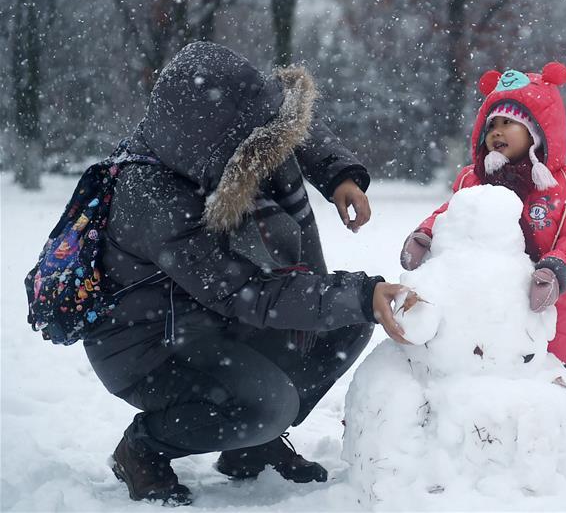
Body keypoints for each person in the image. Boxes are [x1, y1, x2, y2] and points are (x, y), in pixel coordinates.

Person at [87, 41, 411, 506]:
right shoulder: (153, 200)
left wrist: (338, 174)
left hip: (208, 321)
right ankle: (143, 448)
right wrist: (361, 294)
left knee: (345, 323)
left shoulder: (204, 136)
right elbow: (248, 293)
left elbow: (282, 126)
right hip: (149, 348)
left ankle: (250, 446)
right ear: (221, 145)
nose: (270, 151)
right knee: (270, 404)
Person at [399, 63, 566, 492]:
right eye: (492, 123)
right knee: (501, 393)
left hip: (562, 316)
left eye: (511, 123)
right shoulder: (473, 181)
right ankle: (499, 467)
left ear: (538, 132)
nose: (497, 131)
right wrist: (426, 234)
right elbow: (451, 216)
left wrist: (556, 269)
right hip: (495, 320)